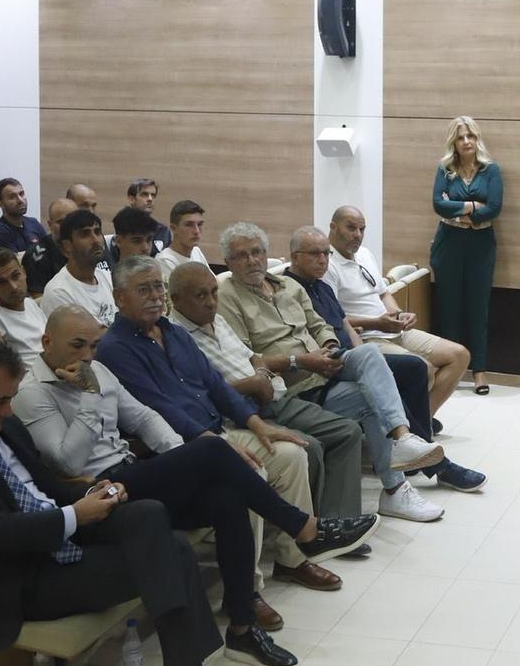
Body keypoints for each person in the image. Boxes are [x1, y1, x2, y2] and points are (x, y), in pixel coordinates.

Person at [0, 339, 275, 666]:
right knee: (173, 551)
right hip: (23, 578)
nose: (8, 410)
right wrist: (73, 516)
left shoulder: (2, 424)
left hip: (58, 541)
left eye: (10, 398)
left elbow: (45, 488)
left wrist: (96, 493)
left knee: (149, 514)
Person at [19, 303, 371, 637]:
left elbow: (142, 416)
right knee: (213, 448)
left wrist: (179, 461)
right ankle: (305, 529)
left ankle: (242, 623)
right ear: (47, 342)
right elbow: (68, 462)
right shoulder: (32, 393)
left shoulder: (98, 371)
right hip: (96, 491)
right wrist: (90, 398)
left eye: (94, 345)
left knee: (226, 498)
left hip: (133, 472)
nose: (87, 356)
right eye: (77, 345)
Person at [215, 223, 448, 522]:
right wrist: (301, 360)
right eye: (241, 255)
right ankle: (394, 489)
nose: (252, 260)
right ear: (228, 261)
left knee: (368, 353)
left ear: (266, 253)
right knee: (371, 398)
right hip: (291, 385)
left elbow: (319, 325)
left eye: (257, 252)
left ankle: (402, 440)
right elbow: (248, 358)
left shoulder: (289, 287)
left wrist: (328, 345)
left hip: (324, 367)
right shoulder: (227, 296)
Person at [167, 262, 369, 522]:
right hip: (238, 413)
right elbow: (201, 394)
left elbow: (254, 357)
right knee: (310, 448)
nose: (211, 302)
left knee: (347, 432)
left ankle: (339, 520)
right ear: (176, 300)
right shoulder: (176, 336)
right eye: (200, 295)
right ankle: (312, 528)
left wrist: (261, 375)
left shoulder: (216, 319)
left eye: (214, 292)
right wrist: (252, 384)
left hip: (272, 395)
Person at [291, 224, 486, 493]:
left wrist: (359, 352)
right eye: (314, 254)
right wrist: (356, 352)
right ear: (294, 256)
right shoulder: (291, 289)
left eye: (325, 254)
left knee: (415, 368)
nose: (323, 259)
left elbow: (343, 322)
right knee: (384, 378)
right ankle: (437, 464)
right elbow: (307, 336)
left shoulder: (319, 285)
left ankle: (419, 446)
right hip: (326, 364)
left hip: (351, 355)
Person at [327, 205, 471, 418]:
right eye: (351, 228)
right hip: (367, 336)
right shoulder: (326, 264)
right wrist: (377, 323)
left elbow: (383, 294)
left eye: (362, 229)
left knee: (459, 355)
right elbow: (335, 318)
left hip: (392, 329)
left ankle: (421, 421)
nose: (357, 235)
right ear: (333, 227)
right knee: (425, 369)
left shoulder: (364, 254)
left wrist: (398, 314)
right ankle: (412, 423)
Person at [431, 117, 503, 392]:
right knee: (449, 307)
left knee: (477, 307)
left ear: (477, 138)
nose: (466, 142)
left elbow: (494, 207)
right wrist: (474, 205)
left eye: (470, 136)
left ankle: (479, 372)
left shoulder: (491, 170)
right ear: (454, 142)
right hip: (448, 244)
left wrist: (459, 208)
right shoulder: (445, 169)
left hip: (481, 245)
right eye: (461, 137)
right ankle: (451, 370)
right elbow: (438, 204)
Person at [42, 208, 116, 326]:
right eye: (85, 234)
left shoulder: (106, 277)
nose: (96, 240)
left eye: (97, 232)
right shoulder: (59, 293)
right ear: (67, 246)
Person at [0, 247, 47, 359]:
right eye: (2, 282)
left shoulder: (30, 304)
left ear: (24, 272)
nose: (13, 287)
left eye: (15, 276)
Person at [24, 197, 76, 294]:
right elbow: (38, 298)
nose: (67, 226)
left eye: (71, 220)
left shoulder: (86, 247)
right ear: (50, 225)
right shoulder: (36, 256)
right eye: (60, 222)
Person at [0, 178, 47, 255]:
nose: (20, 200)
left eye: (21, 194)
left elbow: (49, 251)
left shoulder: (34, 223)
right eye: (12, 197)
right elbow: (15, 261)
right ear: (0, 203)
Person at [157, 199, 211, 275]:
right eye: (189, 225)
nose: (197, 231)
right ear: (173, 228)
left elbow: (213, 283)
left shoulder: (196, 251)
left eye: (199, 224)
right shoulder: (164, 261)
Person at [125, 179, 173, 251]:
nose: (150, 199)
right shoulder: (123, 228)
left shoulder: (163, 231)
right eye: (144, 194)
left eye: (153, 195)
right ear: (132, 199)